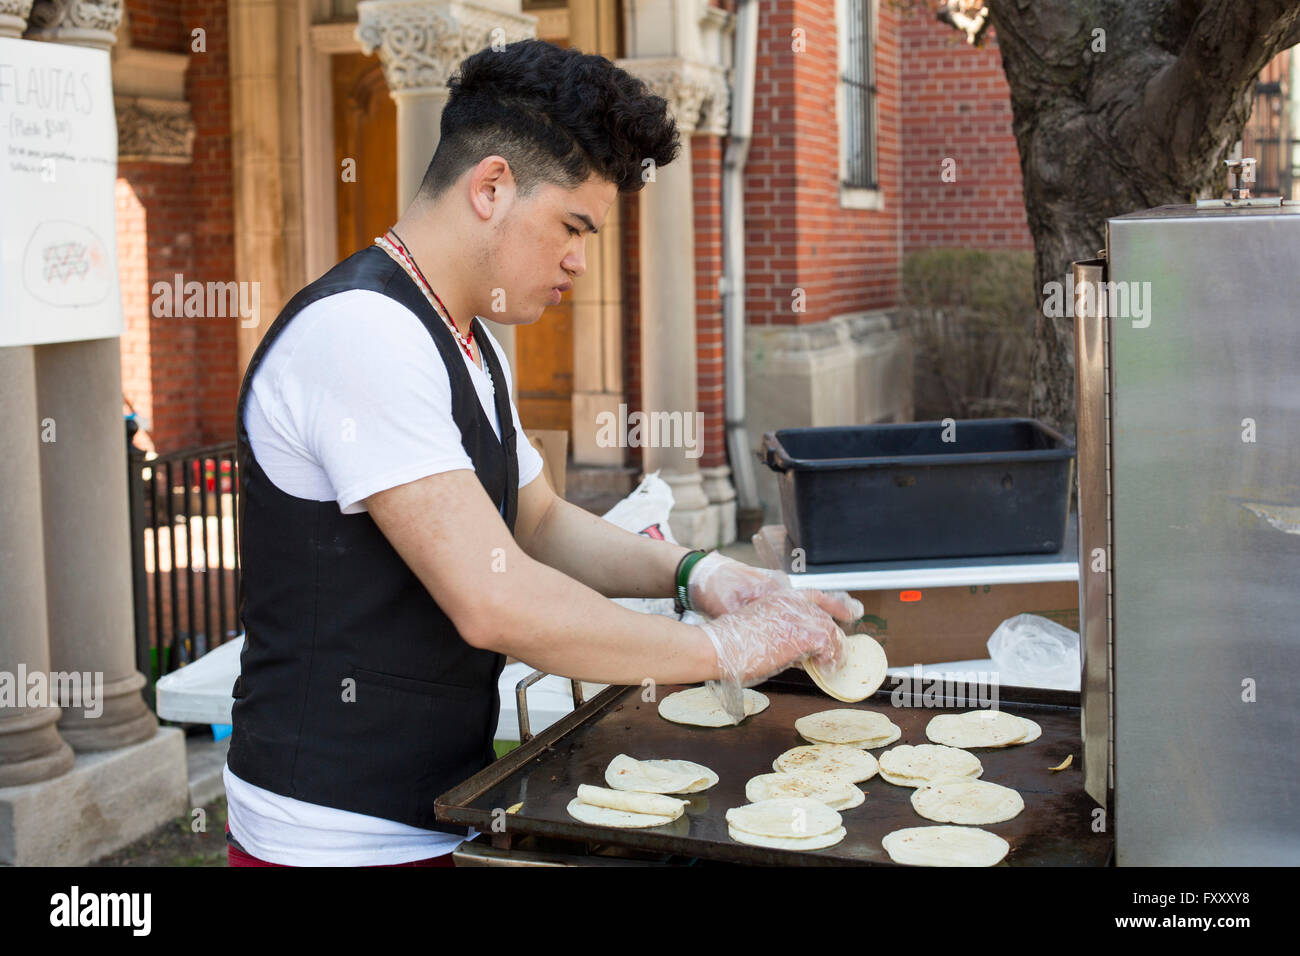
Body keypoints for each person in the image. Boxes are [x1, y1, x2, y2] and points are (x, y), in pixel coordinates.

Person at [223, 39, 858, 867]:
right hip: (333, 833)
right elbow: (496, 601)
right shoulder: (362, 331)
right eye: (571, 226)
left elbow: (539, 520)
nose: (579, 262)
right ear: (490, 187)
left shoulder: (467, 336)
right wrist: (720, 653)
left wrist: (702, 574)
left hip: (436, 798)